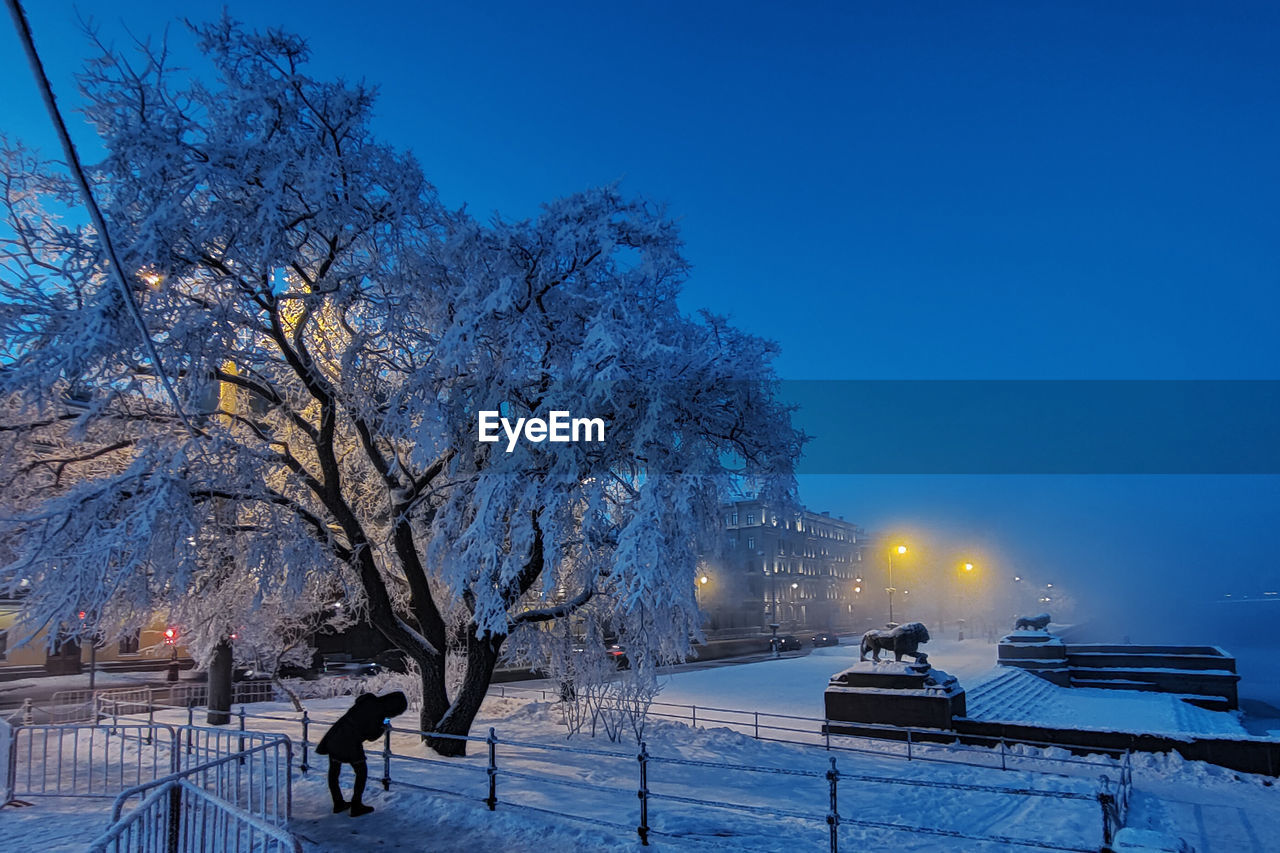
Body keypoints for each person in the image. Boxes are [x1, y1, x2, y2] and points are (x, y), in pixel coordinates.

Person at [315, 691, 409, 816]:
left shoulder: (369, 700)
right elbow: (372, 736)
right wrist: (384, 724)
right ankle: (356, 804)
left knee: (334, 771)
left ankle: (338, 802)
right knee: (361, 772)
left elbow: (359, 706)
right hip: (350, 742)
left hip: (335, 736)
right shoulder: (379, 715)